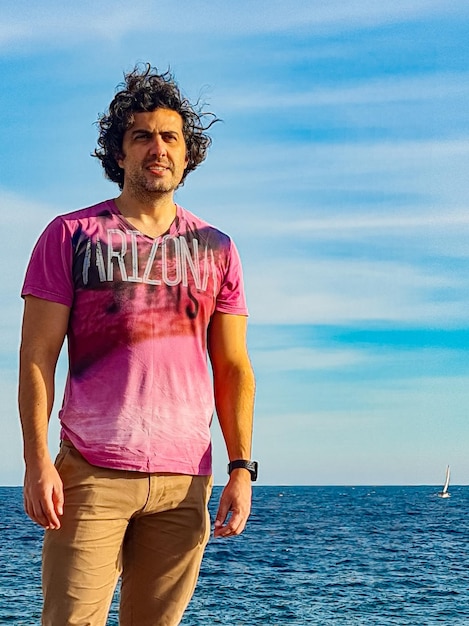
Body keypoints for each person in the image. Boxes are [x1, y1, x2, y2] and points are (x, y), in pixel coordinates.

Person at [18, 63, 256, 626]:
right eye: (141, 136)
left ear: (186, 153)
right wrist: (35, 462)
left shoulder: (216, 248)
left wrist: (241, 467)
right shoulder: (70, 235)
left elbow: (233, 366)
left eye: (170, 136)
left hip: (184, 482)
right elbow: (36, 357)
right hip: (92, 472)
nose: (158, 148)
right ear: (118, 153)